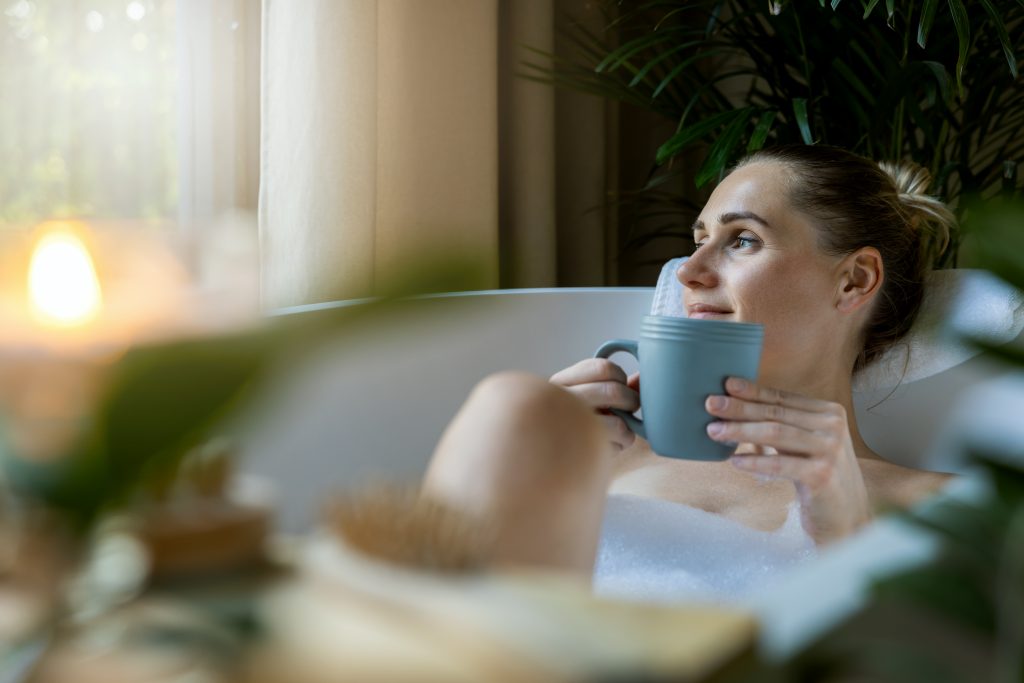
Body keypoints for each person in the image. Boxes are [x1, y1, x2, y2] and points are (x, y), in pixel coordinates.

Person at [418, 145, 957, 581]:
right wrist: (534, 449)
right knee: (514, 404)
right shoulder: (604, 457)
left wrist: (847, 539)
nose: (688, 271)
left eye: (743, 240)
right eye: (698, 241)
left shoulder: (947, 506)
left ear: (855, 280)